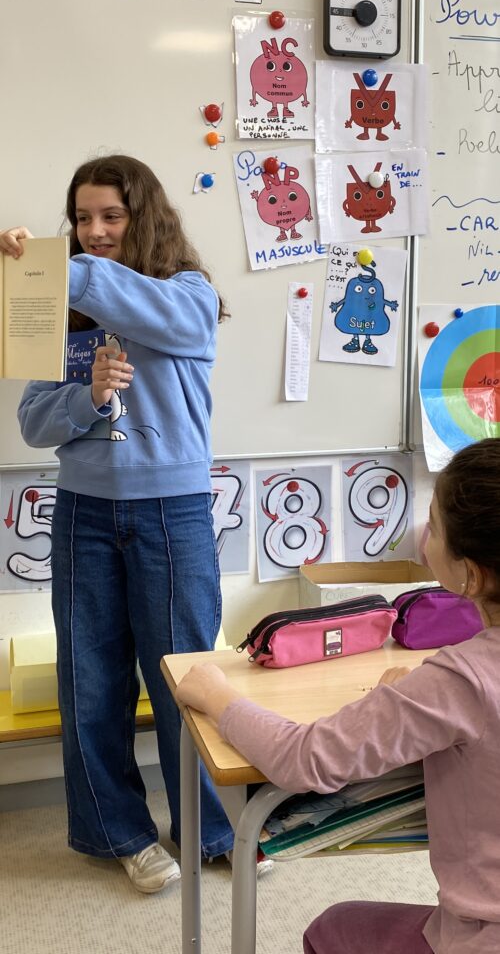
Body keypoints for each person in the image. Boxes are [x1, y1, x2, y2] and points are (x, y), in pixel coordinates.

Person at [0, 154, 237, 894]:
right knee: (92, 683)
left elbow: (159, 311)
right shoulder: (62, 310)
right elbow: (33, 421)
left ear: (145, 217)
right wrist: (89, 400)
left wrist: (57, 269)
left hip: (172, 513)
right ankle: (119, 834)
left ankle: (211, 829)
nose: (94, 230)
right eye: (81, 219)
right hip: (85, 515)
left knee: (187, 680)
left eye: (111, 215)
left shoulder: (188, 293)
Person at [175, 437, 500, 953]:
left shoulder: (461, 681)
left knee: (332, 929)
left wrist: (218, 695)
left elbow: (302, 758)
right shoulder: (453, 682)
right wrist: (408, 702)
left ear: (472, 574)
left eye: (434, 526)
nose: (423, 538)